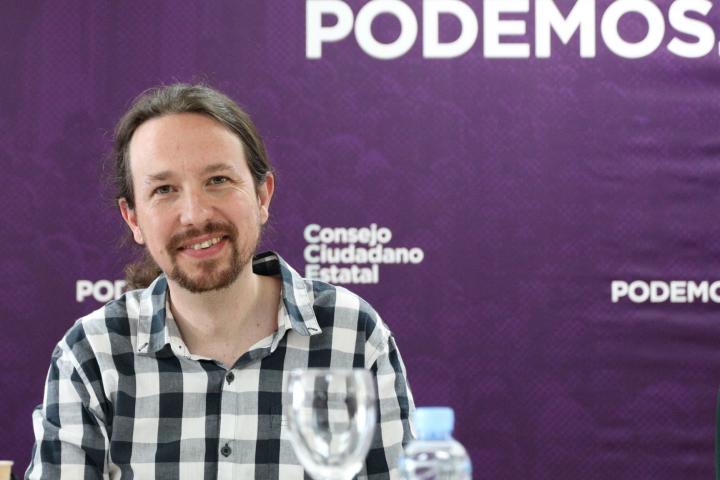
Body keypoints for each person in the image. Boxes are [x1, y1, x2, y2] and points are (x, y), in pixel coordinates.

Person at [26, 84, 415, 479]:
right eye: (164, 190)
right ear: (133, 218)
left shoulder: (352, 334)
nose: (195, 215)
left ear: (262, 196)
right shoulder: (93, 353)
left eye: (217, 180)